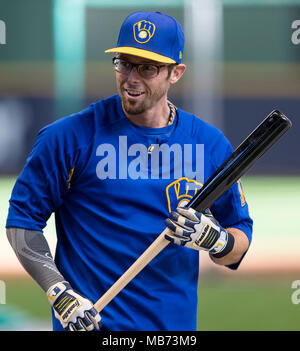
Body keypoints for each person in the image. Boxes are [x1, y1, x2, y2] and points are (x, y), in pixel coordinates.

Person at [6, 11, 252, 331]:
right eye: (125, 63)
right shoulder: (67, 138)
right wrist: (60, 293)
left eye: (147, 68)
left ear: (175, 73)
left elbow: (237, 242)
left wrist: (216, 240)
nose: (132, 78)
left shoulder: (209, 144)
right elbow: (22, 221)